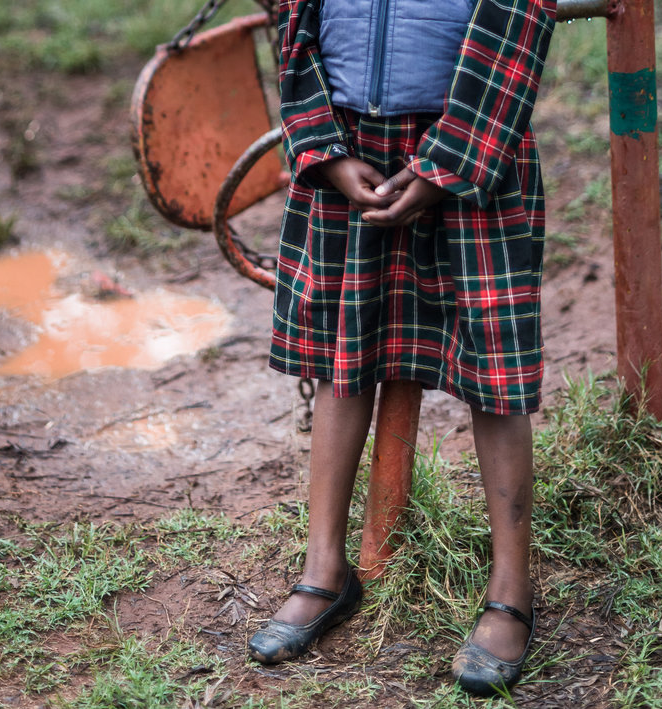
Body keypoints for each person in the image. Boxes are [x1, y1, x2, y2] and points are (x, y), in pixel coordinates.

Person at [246, 0, 558, 696]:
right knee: (342, 357)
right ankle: (325, 567)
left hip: (474, 137)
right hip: (348, 143)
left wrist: (450, 159)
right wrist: (322, 148)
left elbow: (521, 14)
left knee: (494, 369)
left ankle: (512, 588)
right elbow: (293, 18)